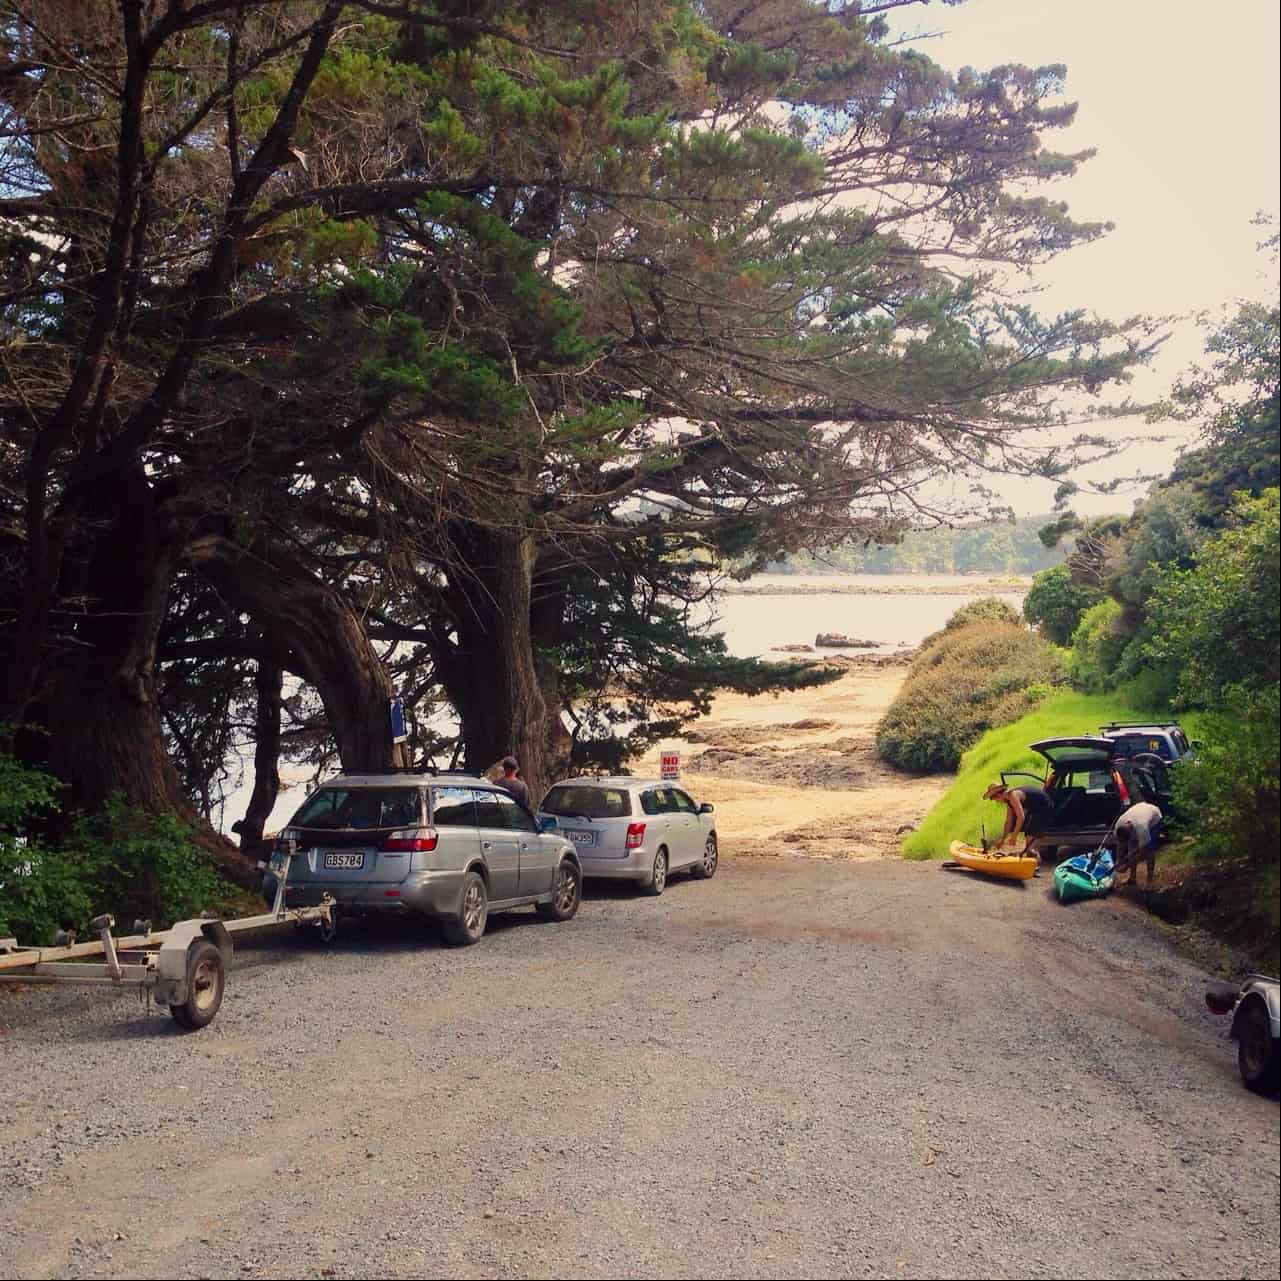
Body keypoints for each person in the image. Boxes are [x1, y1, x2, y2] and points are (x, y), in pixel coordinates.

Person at [983, 781, 1055, 866]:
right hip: (1035, 809)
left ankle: (1035, 864)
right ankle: (1030, 858)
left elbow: (1021, 818)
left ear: (998, 795)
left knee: (1029, 842)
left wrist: (1014, 836)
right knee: (1027, 833)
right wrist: (1003, 839)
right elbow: (1008, 821)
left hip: (1045, 807)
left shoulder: (1013, 796)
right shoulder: (1008, 800)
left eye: (994, 799)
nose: (996, 802)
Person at [1113, 800, 1163, 886]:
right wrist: (1119, 860)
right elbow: (1120, 844)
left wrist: (1127, 865)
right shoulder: (1119, 824)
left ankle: (1150, 880)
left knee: (1149, 851)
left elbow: (1142, 852)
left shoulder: (1142, 827)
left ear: (1131, 833)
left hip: (1155, 818)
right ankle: (1132, 878)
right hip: (1139, 810)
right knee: (1131, 849)